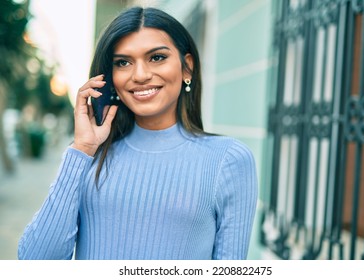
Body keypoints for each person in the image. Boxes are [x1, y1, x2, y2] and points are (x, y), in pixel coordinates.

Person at [18, 6, 258, 260]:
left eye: (156, 57)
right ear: (110, 78)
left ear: (187, 68)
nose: (140, 75)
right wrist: (82, 150)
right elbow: (35, 262)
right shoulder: (89, 156)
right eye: (123, 63)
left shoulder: (228, 160)